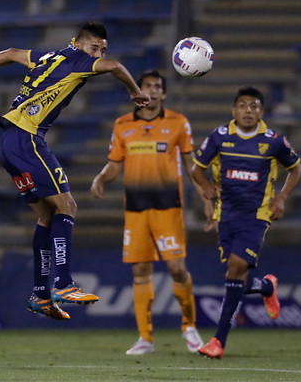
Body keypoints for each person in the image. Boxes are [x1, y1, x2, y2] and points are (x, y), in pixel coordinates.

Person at [0, 22, 150, 320]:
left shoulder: (48, 56)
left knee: (46, 215)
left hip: (9, 143)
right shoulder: (81, 61)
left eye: (102, 49)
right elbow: (117, 67)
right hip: (27, 139)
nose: (99, 54)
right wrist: (134, 90)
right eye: (95, 48)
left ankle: (41, 295)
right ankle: (64, 283)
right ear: (79, 44)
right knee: (68, 205)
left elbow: (11, 53)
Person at [90, 69, 211, 355]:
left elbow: (192, 163)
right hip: (136, 209)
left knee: (177, 269)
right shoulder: (122, 125)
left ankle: (189, 327)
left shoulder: (178, 123)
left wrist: (206, 192)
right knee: (141, 271)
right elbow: (116, 164)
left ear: (164, 93)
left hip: (168, 207)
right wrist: (100, 178)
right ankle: (145, 337)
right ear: (137, 91)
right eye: (148, 86)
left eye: (158, 87)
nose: (153, 91)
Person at [192, 87, 301, 359]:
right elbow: (196, 168)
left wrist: (282, 198)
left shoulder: (274, 141)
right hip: (225, 214)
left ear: (261, 112)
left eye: (254, 106)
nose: (248, 110)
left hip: (256, 215)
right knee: (235, 277)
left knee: (235, 267)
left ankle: (218, 341)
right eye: (243, 105)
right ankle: (265, 286)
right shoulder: (219, 137)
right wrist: (205, 185)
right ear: (234, 111)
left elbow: (296, 168)